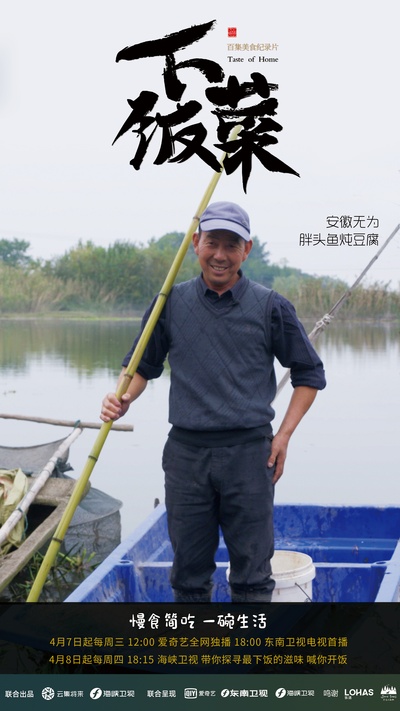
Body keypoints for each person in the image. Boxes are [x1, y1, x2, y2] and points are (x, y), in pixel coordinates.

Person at [101, 201, 326, 603]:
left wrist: (284, 436)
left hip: (250, 455)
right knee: (188, 576)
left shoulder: (270, 306)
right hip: (187, 456)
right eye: (212, 243)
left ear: (247, 250)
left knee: (253, 577)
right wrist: (123, 398)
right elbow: (140, 368)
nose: (220, 255)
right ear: (196, 243)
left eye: (231, 245)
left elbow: (309, 375)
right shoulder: (170, 303)